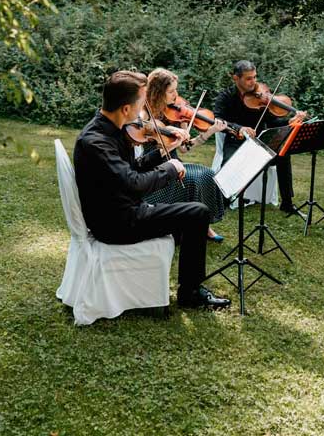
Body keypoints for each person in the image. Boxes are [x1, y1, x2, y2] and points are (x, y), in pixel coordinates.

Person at [73, 70, 230, 309]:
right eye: (140, 104)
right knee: (197, 213)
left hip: (120, 211)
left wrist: (162, 153)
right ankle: (190, 293)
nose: (141, 113)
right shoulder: (97, 142)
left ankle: (177, 283)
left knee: (188, 215)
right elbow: (134, 184)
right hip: (117, 223)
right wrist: (169, 168)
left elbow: (131, 169)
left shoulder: (110, 130)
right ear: (126, 108)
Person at [142, 67, 227, 243]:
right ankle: (189, 225)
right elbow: (143, 126)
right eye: (171, 91)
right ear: (158, 92)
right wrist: (160, 129)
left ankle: (204, 224)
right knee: (193, 180)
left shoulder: (176, 115)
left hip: (175, 162)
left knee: (208, 174)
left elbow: (184, 149)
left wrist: (210, 131)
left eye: (176, 90)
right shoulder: (144, 112)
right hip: (153, 168)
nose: (176, 95)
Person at [213, 60, 307, 213]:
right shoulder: (226, 97)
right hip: (236, 141)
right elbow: (219, 120)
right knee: (228, 166)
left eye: (255, 77)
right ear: (236, 78)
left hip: (258, 142)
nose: (254, 82)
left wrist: (289, 121)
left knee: (283, 154)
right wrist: (239, 128)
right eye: (249, 78)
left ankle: (287, 203)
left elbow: (272, 121)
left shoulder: (261, 96)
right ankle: (224, 202)